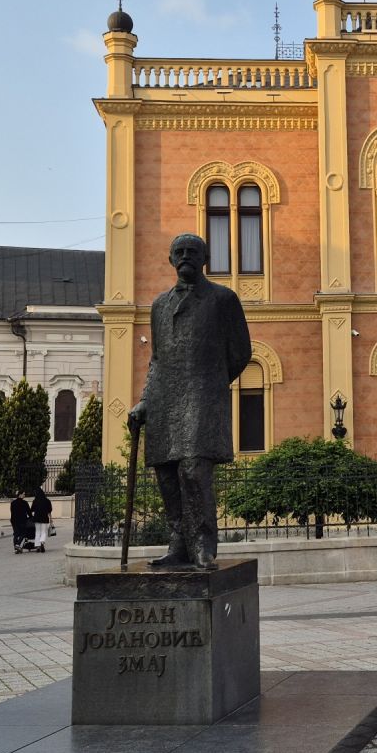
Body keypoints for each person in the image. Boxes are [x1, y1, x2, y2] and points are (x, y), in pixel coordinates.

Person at [128, 233, 251, 570]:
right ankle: (178, 544)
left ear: (205, 259)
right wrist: (144, 402)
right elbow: (156, 359)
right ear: (170, 259)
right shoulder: (159, 305)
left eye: (192, 252)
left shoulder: (223, 299)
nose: (185, 257)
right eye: (179, 252)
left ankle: (203, 545)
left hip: (201, 397)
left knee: (193, 470)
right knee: (167, 475)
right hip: (165, 401)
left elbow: (242, 352)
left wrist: (212, 381)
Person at [29, 485, 52, 553]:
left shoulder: (35, 501)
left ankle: (37, 546)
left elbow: (32, 509)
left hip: (37, 518)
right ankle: (42, 542)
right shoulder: (47, 501)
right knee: (43, 531)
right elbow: (49, 510)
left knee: (37, 532)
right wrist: (50, 519)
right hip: (44, 518)